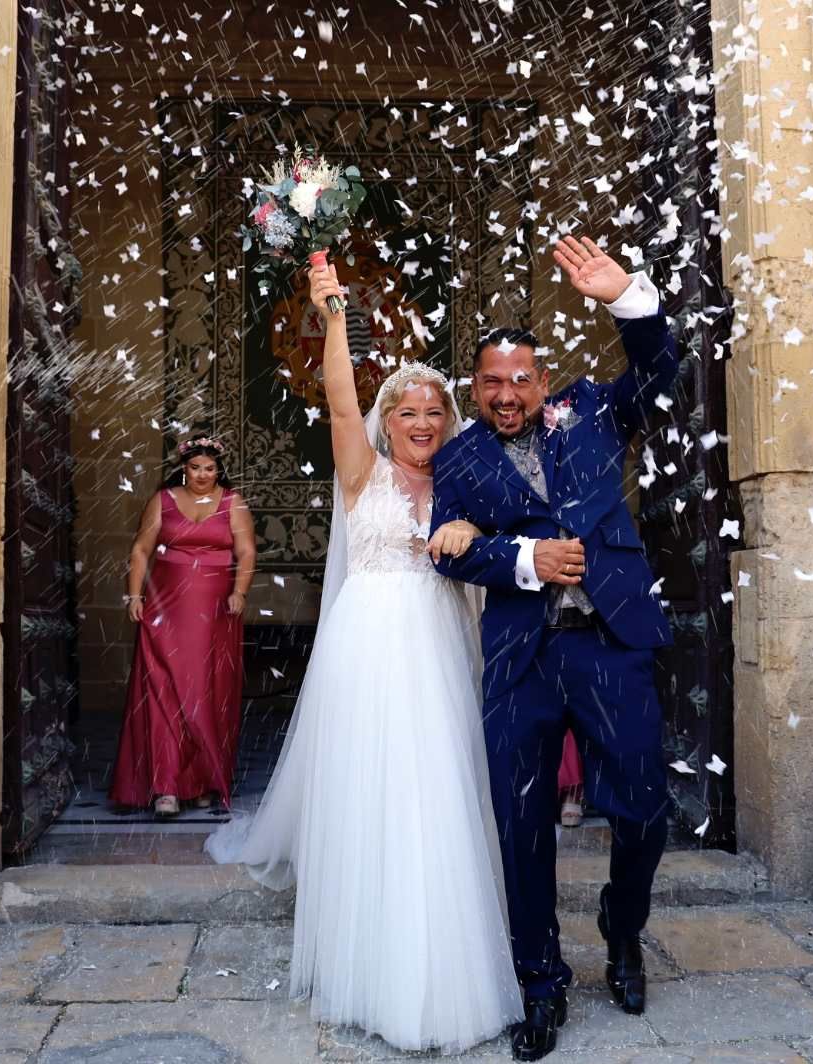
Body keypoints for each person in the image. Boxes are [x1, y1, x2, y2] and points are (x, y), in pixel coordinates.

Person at [206, 260, 523, 1053]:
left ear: (449, 423)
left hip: (439, 655)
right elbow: (340, 397)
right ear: (389, 419)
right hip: (368, 652)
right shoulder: (363, 474)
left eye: (433, 412)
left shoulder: (465, 485)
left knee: (437, 796)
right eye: (407, 410)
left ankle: (443, 974)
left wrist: (476, 534)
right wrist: (335, 317)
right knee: (371, 796)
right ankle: (368, 969)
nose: (420, 421)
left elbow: (503, 540)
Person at [430, 235, 678, 1060]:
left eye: (521, 381)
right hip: (523, 658)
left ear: (544, 380)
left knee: (645, 806)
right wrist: (523, 559)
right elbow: (445, 545)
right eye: (491, 383)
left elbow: (658, 372)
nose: (507, 396)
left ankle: (622, 924)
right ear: (475, 387)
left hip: (610, 642)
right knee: (522, 824)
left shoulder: (595, 411)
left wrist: (627, 303)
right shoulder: (458, 458)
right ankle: (540, 980)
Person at [111, 436, 256, 815]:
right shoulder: (163, 500)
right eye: (195, 468)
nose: (203, 475)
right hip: (165, 608)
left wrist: (240, 591)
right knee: (163, 693)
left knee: (205, 694)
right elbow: (142, 549)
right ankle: (166, 788)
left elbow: (247, 551)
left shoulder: (233, 502)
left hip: (214, 614)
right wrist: (135, 595)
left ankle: (204, 777)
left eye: (209, 468)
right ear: (184, 468)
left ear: (218, 469)